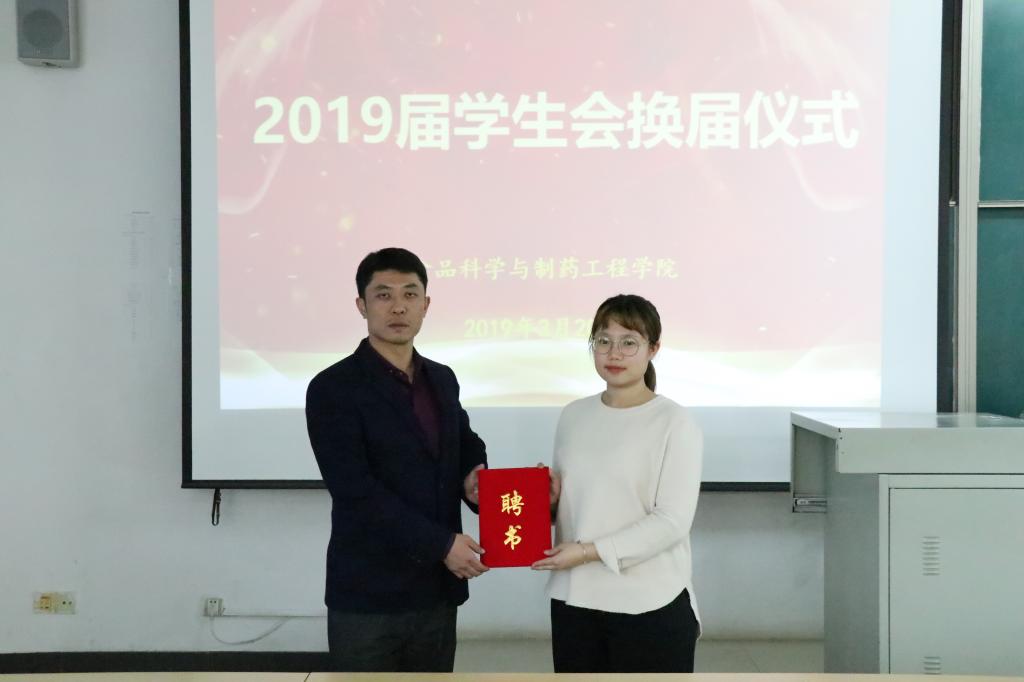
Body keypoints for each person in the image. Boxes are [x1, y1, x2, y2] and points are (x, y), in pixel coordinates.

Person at [305, 247, 489, 672]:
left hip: (436, 591)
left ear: (426, 304)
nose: (398, 307)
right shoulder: (333, 388)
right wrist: (442, 544)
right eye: (384, 295)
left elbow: (465, 443)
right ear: (361, 305)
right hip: (368, 594)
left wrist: (474, 476)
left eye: (410, 294)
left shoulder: (441, 378)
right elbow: (355, 491)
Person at [532, 293, 703, 673]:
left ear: (653, 349)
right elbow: (581, 506)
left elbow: (672, 521)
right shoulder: (574, 415)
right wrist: (552, 500)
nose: (614, 353)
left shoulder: (674, 421)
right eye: (603, 341)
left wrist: (588, 551)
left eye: (629, 342)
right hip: (576, 598)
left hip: (649, 601)